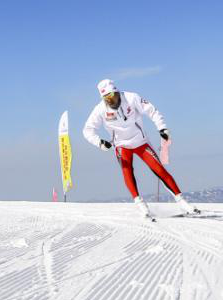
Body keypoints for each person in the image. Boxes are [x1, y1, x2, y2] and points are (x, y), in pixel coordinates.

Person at [83, 79, 200, 220]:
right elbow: (87, 130)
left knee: (159, 170)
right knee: (127, 172)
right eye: (107, 98)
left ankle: (182, 202)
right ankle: (140, 204)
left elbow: (152, 111)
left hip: (140, 142)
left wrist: (162, 127)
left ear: (117, 92)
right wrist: (100, 142)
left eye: (113, 96)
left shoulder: (131, 98)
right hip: (121, 145)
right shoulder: (100, 109)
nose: (111, 101)